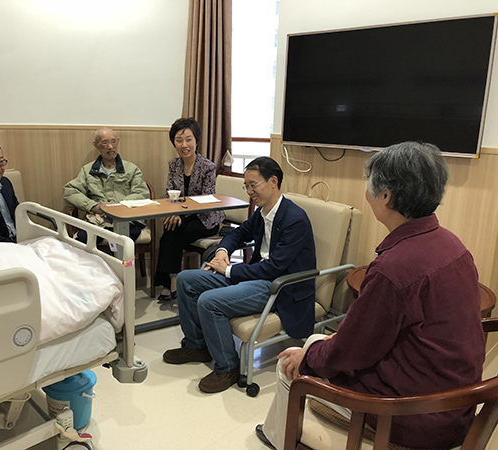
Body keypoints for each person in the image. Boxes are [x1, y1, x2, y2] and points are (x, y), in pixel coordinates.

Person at [256, 142, 486, 450]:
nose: (366, 191)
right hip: (457, 404)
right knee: (316, 342)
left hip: (412, 415)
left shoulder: (394, 269)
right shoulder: (454, 245)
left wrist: (307, 358)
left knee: (291, 364)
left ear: (385, 196)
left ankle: (279, 440)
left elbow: (351, 352)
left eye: (369, 184)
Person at [163, 156, 317, 393]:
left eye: (253, 185)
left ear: (273, 182)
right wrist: (223, 251)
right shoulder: (263, 212)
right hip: (257, 276)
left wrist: (229, 270)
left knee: (209, 302)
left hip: (278, 286)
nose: (249, 192)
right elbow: (237, 234)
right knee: (186, 280)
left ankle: (228, 367)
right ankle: (197, 345)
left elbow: (273, 268)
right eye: (246, 186)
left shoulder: (294, 219)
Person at [154, 118, 224, 301]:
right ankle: (173, 279)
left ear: (196, 141)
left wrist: (179, 213)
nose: (184, 145)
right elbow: (169, 193)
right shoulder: (174, 165)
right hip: (183, 217)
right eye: (179, 140)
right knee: (171, 230)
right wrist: (172, 213)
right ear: (174, 143)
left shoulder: (208, 167)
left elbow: (205, 200)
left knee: (173, 232)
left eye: (188, 139)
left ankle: (169, 282)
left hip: (206, 219)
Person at [63, 127, 150, 243]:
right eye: (105, 142)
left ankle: (119, 255)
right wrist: (94, 206)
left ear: (117, 141)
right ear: (96, 145)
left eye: (113, 141)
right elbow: (70, 192)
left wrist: (117, 206)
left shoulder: (132, 169)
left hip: (127, 220)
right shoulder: (87, 171)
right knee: (83, 239)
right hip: (97, 221)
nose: (110, 146)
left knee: (123, 240)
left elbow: (142, 193)